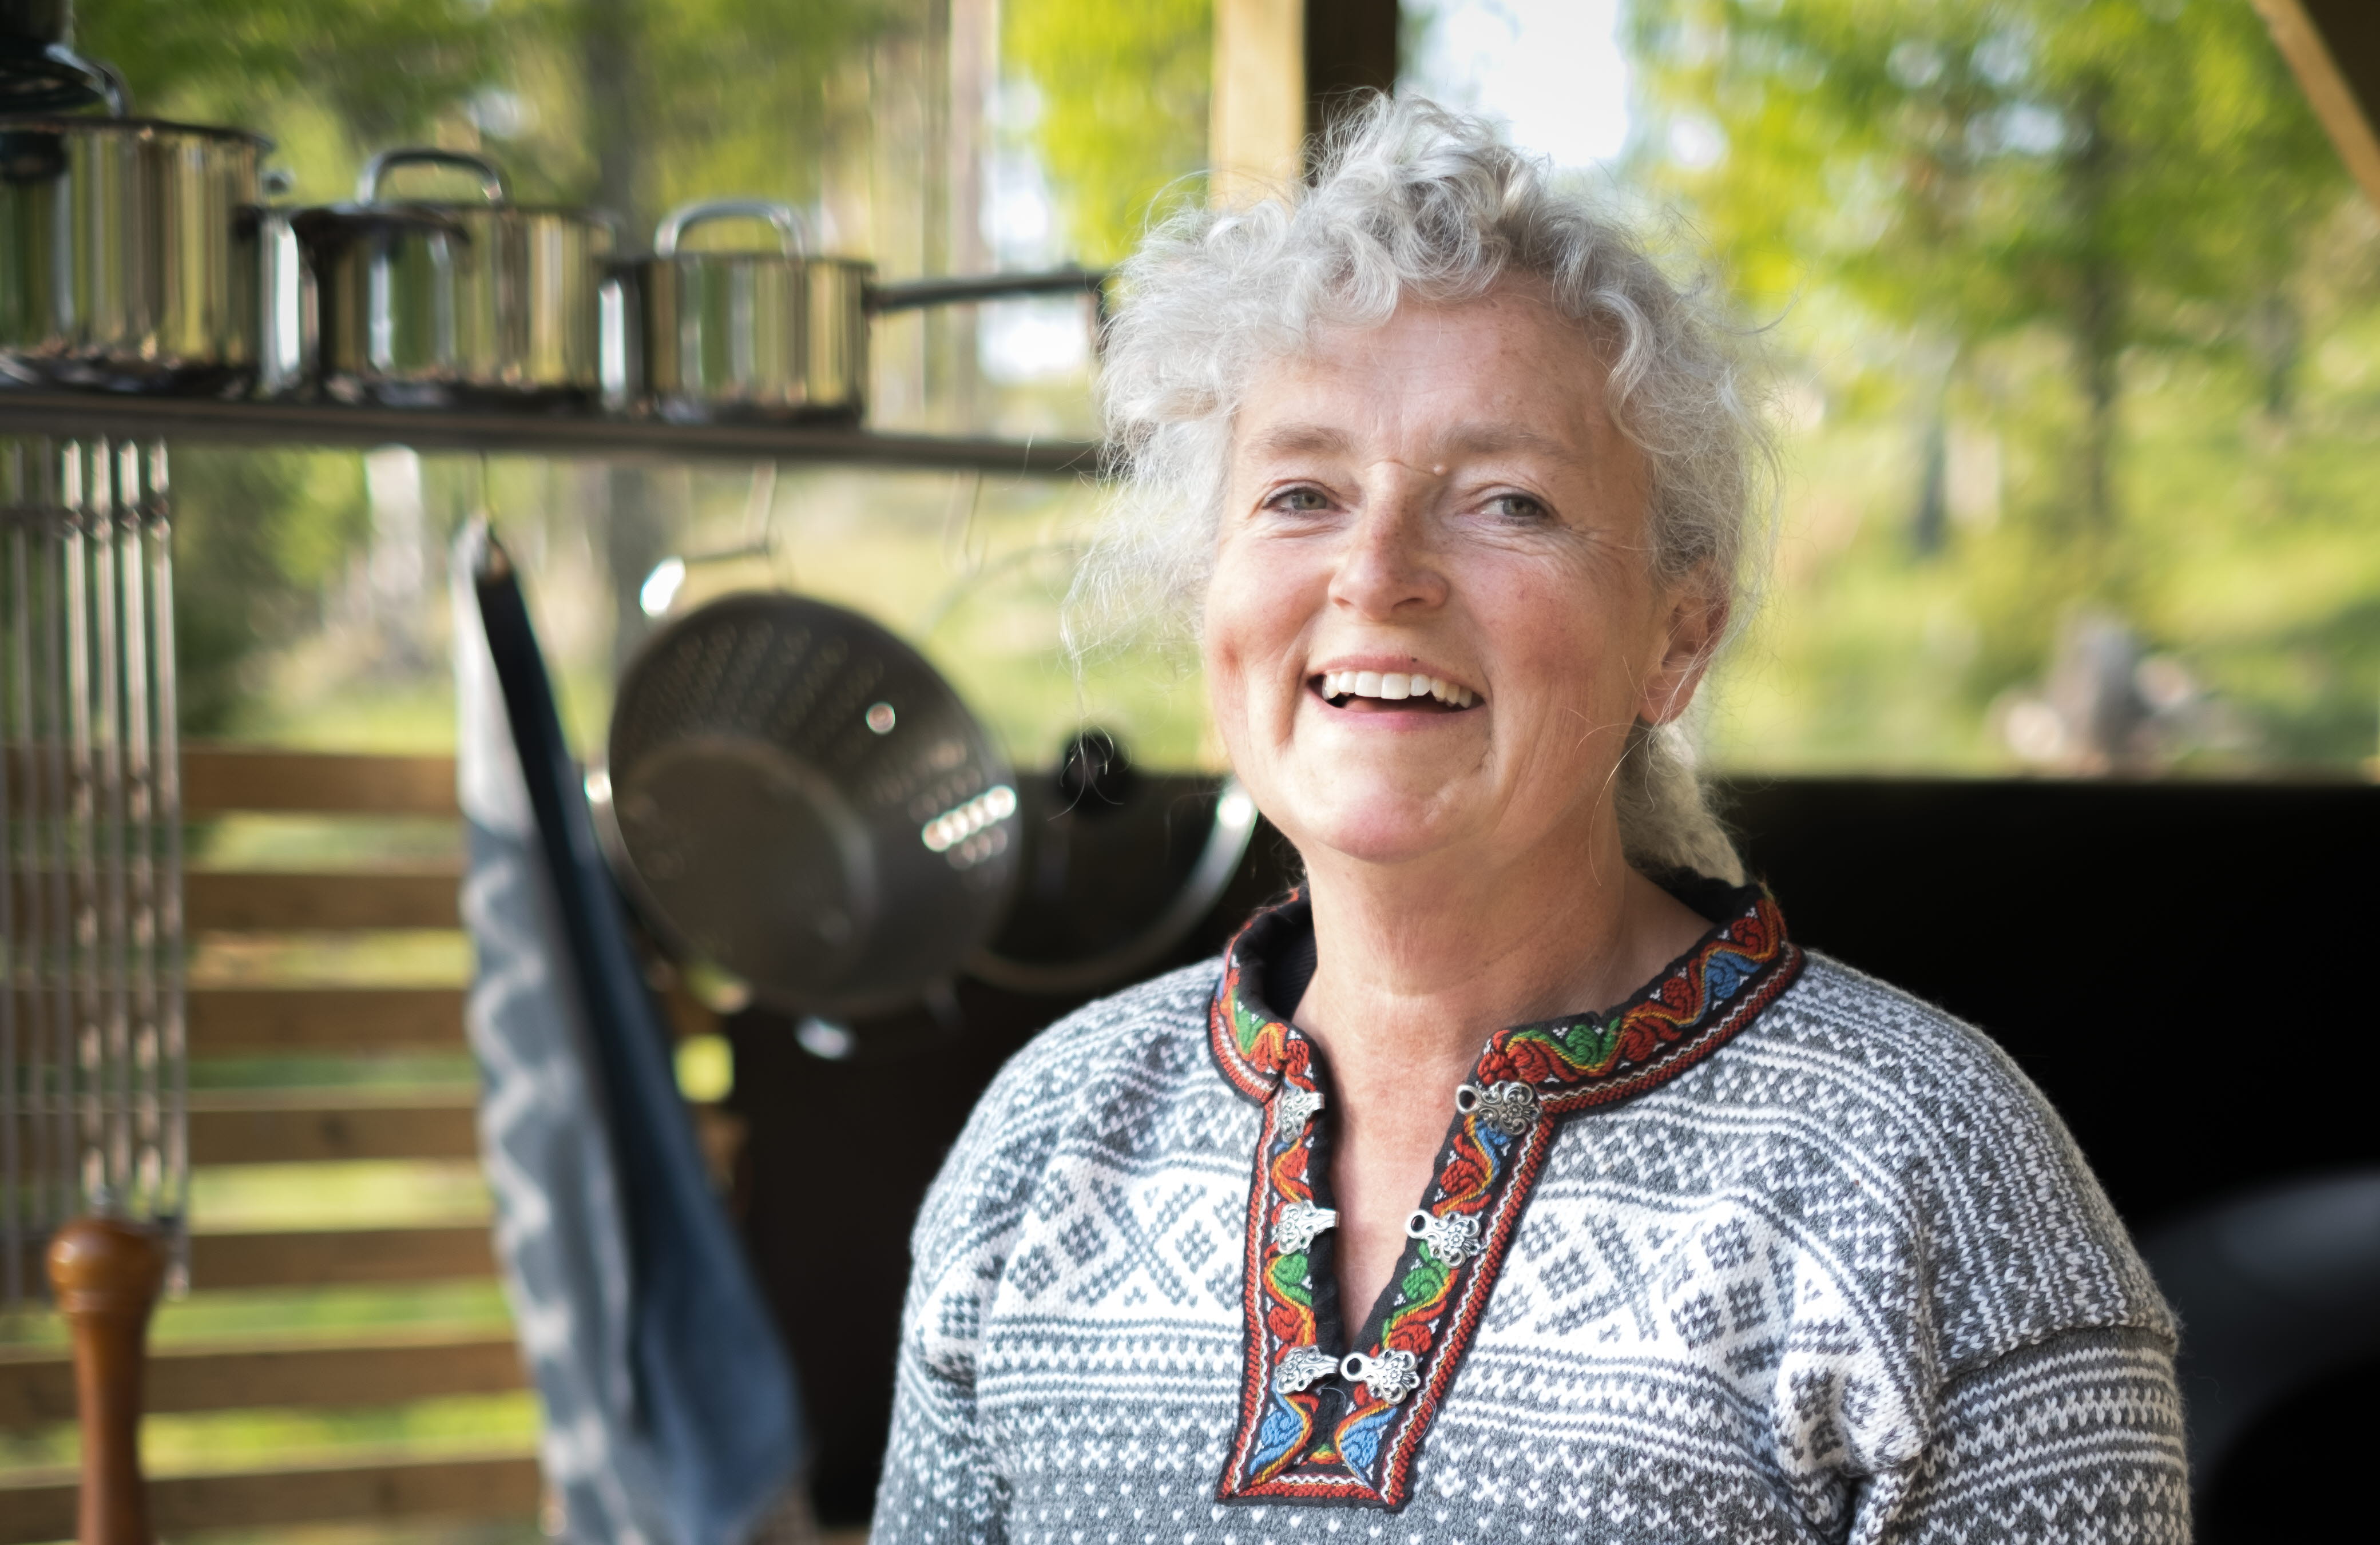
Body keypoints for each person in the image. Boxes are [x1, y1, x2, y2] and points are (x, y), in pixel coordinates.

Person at [871, 97, 2187, 1543]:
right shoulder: (1051, 1135)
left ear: (1675, 639)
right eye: (1301, 491)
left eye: (1507, 502)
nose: (1377, 572)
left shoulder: (1926, 1169)